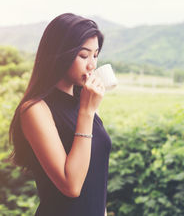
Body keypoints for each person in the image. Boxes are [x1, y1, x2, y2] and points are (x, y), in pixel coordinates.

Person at [9, 13, 111, 216]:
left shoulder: (83, 101)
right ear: (60, 55)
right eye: (83, 56)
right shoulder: (35, 109)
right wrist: (87, 112)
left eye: (95, 55)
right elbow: (71, 186)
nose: (92, 65)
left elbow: (96, 181)